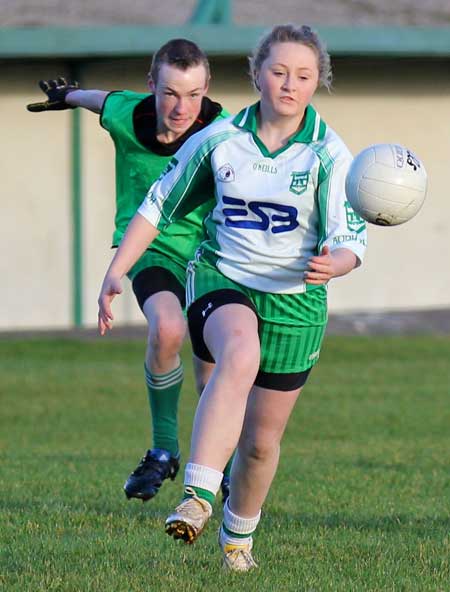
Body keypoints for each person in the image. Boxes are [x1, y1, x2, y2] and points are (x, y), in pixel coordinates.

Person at [97, 24, 367, 571]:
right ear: (257, 74)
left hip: (297, 303)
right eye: (278, 71)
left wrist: (334, 263)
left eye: (304, 75)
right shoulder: (219, 138)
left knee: (262, 445)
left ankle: (238, 539)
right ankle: (197, 493)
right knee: (238, 353)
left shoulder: (329, 154)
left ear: (318, 83)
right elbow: (157, 204)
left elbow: (351, 241)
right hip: (224, 279)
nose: (289, 84)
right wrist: (116, 271)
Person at [27, 38, 233, 503]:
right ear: (151, 86)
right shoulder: (127, 114)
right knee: (166, 330)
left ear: (207, 89)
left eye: (194, 94)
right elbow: (99, 100)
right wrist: (67, 95)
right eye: (170, 93)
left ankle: (223, 466)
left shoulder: (223, 130)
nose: (182, 107)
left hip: (209, 256)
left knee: (211, 367)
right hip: (148, 251)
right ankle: (163, 451)